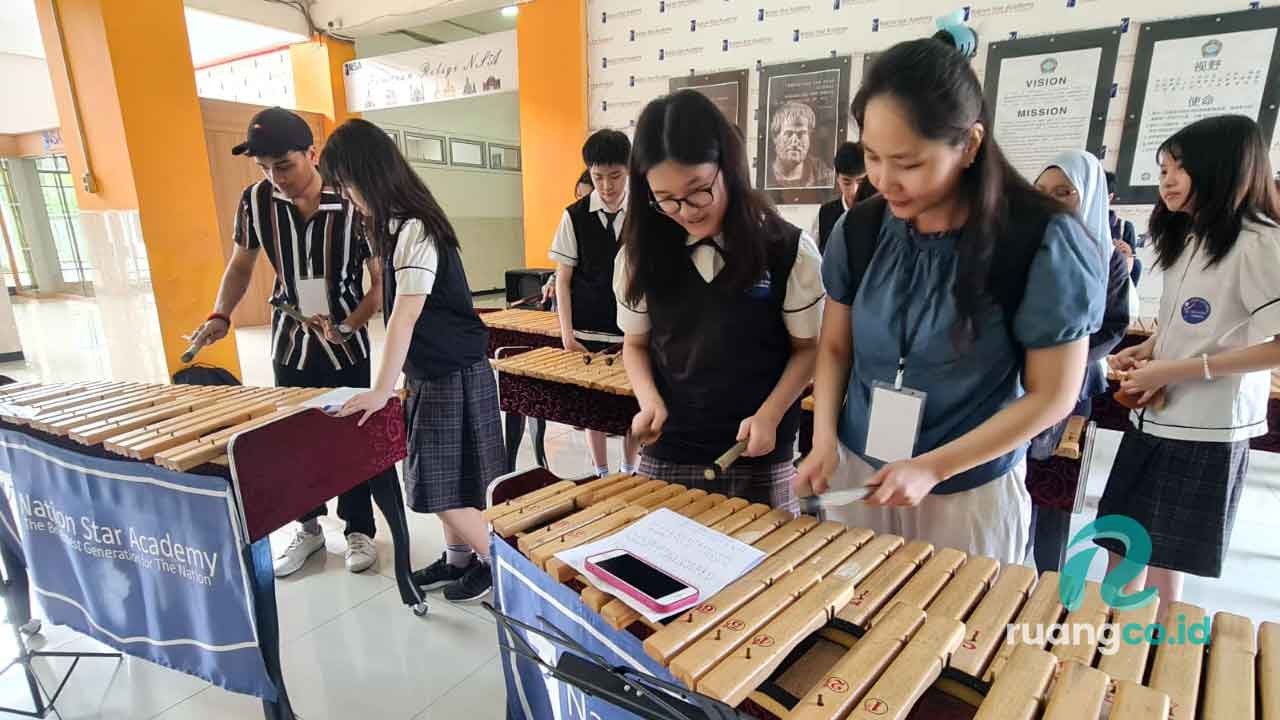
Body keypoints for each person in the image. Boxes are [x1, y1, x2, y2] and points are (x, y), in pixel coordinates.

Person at [797, 39, 1104, 564]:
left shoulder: (1038, 239)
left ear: (969, 144)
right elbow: (833, 350)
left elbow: (1053, 394)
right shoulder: (863, 228)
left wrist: (934, 466)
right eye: (872, 156)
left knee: (958, 633)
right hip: (860, 469)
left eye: (908, 162)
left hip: (968, 489)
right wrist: (824, 436)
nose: (884, 180)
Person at [187, 107, 384, 577]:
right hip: (290, 341)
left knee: (349, 435)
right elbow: (240, 265)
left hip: (348, 339)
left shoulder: (354, 200)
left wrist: (351, 325)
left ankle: (358, 528)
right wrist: (221, 313)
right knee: (294, 438)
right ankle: (308, 527)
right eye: (265, 168)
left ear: (312, 154)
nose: (276, 178)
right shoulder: (255, 201)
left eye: (285, 166)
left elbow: (378, 283)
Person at [321, 118, 505, 603]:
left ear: (369, 175)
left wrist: (380, 391)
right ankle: (459, 560)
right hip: (436, 373)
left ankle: (504, 570)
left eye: (346, 185)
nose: (346, 196)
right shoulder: (398, 225)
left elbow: (404, 316)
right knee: (454, 479)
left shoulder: (415, 229)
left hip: (453, 374)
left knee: (438, 488)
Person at [1104, 114, 1280, 618]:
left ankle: (1148, 651)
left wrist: (1173, 371)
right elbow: (1201, 322)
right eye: (1163, 169)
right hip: (1158, 414)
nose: (1167, 181)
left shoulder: (1260, 243)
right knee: (1130, 541)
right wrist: (1151, 350)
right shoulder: (1190, 233)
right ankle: (1124, 638)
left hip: (1206, 428)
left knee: (1159, 550)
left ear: (1224, 167)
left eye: (1179, 168)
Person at [615, 89, 825, 511]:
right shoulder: (638, 255)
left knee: (764, 571)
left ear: (728, 167)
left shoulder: (789, 251)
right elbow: (635, 344)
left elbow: (809, 349)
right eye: (667, 199)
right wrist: (649, 400)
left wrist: (770, 414)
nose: (687, 210)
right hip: (670, 448)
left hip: (758, 449)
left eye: (698, 190)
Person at [1027, 150, 1131, 571]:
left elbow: (1114, 326)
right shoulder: (1023, 248)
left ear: (1088, 196)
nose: (1050, 200)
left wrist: (1066, 362)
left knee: (1055, 489)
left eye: (1064, 192)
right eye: (1041, 192)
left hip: (1072, 392)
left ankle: (1048, 579)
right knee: (1017, 482)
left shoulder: (1109, 259)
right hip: (1021, 384)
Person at [549, 131, 640, 476]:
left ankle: (630, 468)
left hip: (631, 332)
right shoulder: (574, 215)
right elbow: (564, 278)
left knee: (631, 406)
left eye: (615, 176)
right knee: (594, 409)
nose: (607, 185)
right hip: (587, 329)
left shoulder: (645, 214)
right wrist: (566, 333)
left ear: (628, 171)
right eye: (598, 177)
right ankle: (601, 471)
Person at [540, 170, 596, 306]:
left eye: (587, 198)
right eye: (580, 197)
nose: (582, 204)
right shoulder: (574, 219)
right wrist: (552, 281)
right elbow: (565, 265)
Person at [809, 141, 867, 253]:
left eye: (860, 182)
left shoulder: (878, 212)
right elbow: (815, 255)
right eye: (847, 182)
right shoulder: (825, 213)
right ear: (838, 179)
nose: (854, 190)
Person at [769, 101, 836, 189]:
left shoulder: (824, 175)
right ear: (775, 137)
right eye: (788, 133)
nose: (795, 141)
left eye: (801, 133)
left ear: (809, 137)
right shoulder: (765, 174)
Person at [1106, 170, 1142, 287]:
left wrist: (1127, 255)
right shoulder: (1077, 224)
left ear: (1110, 197)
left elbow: (1133, 269)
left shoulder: (1124, 227)